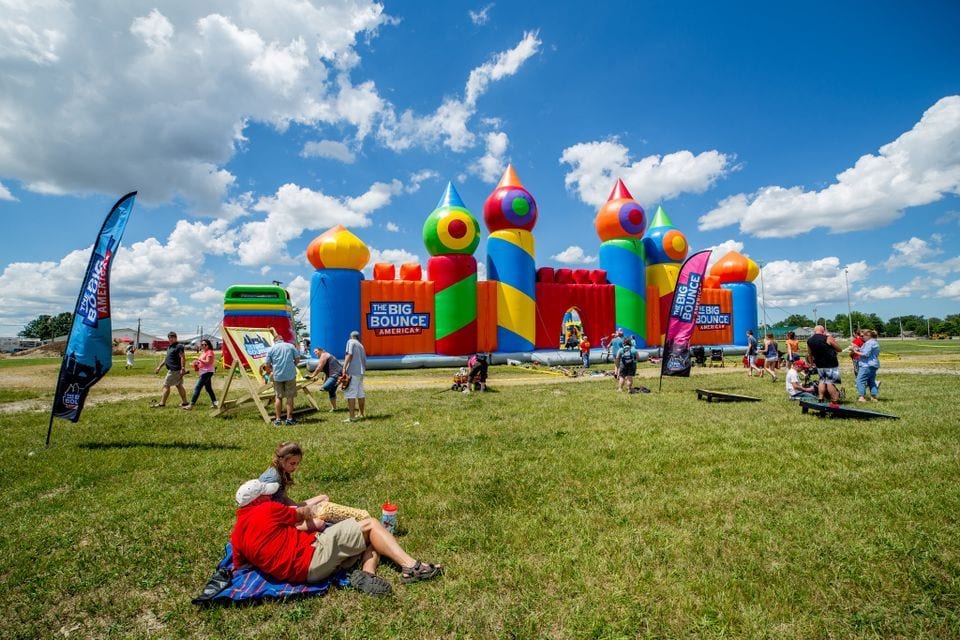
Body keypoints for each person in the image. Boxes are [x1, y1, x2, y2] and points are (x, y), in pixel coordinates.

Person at [231, 479, 443, 597]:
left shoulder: (237, 535)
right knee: (372, 525)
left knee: (371, 539)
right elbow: (301, 514)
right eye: (266, 495)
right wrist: (314, 506)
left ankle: (367, 574)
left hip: (300, 574)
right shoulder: (268, 509)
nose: (270, 496)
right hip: (311, 557)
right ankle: (412, 567)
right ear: (258, 500)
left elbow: (241, 567)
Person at [259, 441, 330, 530]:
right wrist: (298, 513)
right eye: (292, 463)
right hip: (277, 519)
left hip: (286, 510)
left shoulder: (282, 472)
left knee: (324, 498)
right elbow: (264, 509)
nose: (295, 467)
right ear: (281, 460)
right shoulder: (272, 479)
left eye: (297, 463)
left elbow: (284, 498)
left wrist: (299, 509)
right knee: (320, 523)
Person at [264, 335, 301, 425]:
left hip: (277, 376)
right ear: (282, 339)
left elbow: (267, 364)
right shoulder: (290, 346)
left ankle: (278, 420)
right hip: (290, 375)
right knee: (289, 397)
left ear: (274, 341)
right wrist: (293, 366)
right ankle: (289, 419)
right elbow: (297, 359)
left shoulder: (271, 349)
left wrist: (270, 371)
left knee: (278, 397)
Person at [807, 325, 843, 403]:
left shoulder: (809, 340)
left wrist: (811, 364)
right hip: (830, 363)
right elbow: (839, 349)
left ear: (814, 331)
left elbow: (809, 354)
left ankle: (821, 398)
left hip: (819, 363)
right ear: (823, 331)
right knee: (830, 382)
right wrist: (829, 336)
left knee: (822, 380)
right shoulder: (828, 338)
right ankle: (834, 399)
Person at [151, 332, 188, 408]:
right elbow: (166, 359)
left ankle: (162, 403)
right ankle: (185, 402)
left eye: (172, 337)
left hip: (175, 370)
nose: (170, 339)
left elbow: (182, 357)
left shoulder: (179, 346)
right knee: (179, 385)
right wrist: (159, 367)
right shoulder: (170, 347)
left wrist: (183, 368)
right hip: (174, 370)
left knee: (166, 385)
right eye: (169, 338)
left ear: (176, 338)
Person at [184, 339, 218, 410]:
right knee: (208, 388)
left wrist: (198, 359)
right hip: (203, 372)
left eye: (205, 344)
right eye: (202, 344)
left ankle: (191, 405)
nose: (203, 346)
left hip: (207, 372)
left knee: (197, 387)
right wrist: (195, 363)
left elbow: (208, 362)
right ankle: (215, 403)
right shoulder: (203, 352)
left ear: (208, 345)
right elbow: (202, 362)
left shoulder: (210, 352)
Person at [342, 330, 367, 422]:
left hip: (353, 371)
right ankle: (361, 413)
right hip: (361, 372)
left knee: (351, 393)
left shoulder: (350, 342)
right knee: (360, 393)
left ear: (350, 336)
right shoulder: (361, 345)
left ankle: (351, 417)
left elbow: (349, 354)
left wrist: (344, 367)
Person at [308, 347, 342, 411]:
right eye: (314, 352)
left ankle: (338, 382)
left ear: (321, 351)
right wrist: (324, 381)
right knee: (331, 392)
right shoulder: (325, 356)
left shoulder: (324, 355)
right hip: (333, 375)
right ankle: (334, 408)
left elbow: (319, 367)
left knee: (325, 387)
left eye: (316, 351)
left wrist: (312, 376)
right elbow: (326, 372)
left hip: (336, 374)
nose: (315, 353)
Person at [851, 329, 880, 402]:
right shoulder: (874, 342)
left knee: (860, 380)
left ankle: (861, 397)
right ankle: (874, 397)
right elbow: (867, 351)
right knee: (871, 381)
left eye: (862, 336)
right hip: (873, 365)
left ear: (868, 335)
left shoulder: (869, 343)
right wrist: (859, 349)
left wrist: (855, 351)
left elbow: (865, 354)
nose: (861, 337)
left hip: (866, 365)